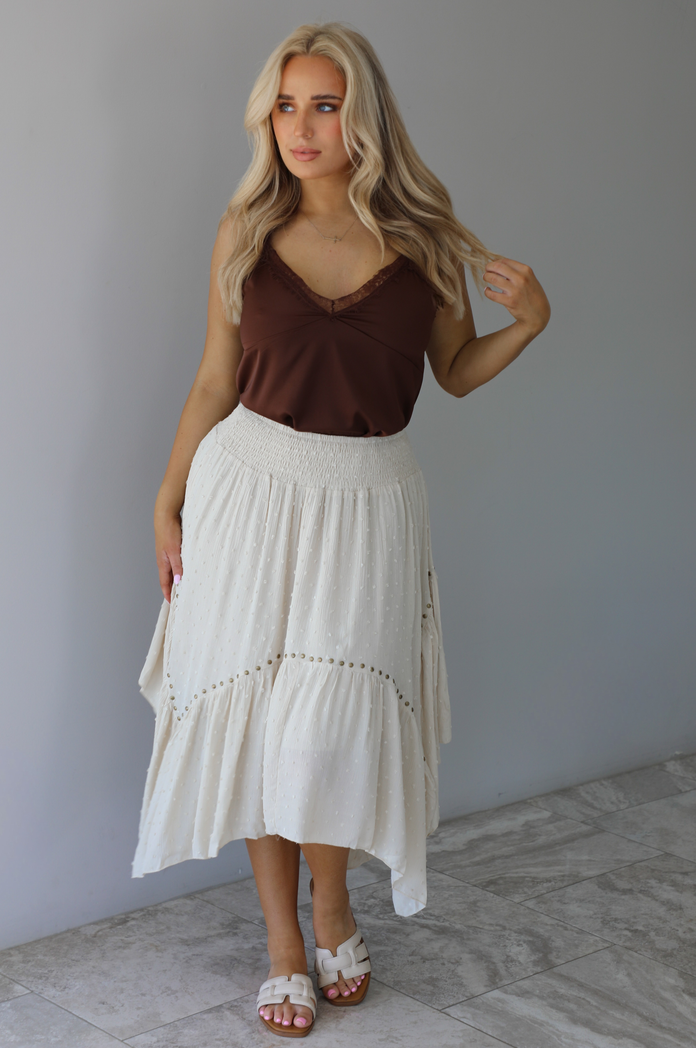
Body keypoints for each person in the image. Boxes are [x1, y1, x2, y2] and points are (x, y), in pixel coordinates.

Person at [132, 22, 550, 1038]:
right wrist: (166, 497)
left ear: (361, 116)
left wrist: (528, 322)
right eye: (285, 105)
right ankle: (285, 939)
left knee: (327, 730)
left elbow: (450, 371)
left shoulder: (422, 241)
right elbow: (212, 384)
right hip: (247, 492)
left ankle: (335, 904)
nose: (301, 127)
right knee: (257, 726)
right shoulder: (243, 235)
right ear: (265, 119)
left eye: (323, 104)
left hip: (367, 503)